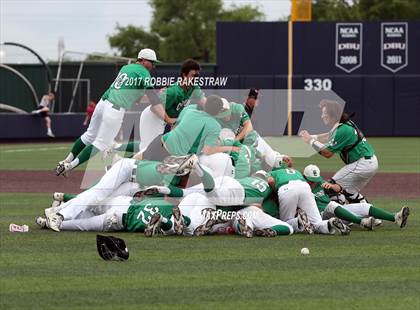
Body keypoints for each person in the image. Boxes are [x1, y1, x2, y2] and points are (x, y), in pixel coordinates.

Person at [55, 48, 160, 176]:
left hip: (103, 103)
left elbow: (138, 98)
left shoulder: (126, 68)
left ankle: (66, 160)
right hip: (115, 107)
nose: (153, 66)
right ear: (143, 60)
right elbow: (151, 96)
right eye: (151, 62)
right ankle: (70, 166)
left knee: (89, 135)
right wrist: (159, 97)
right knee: (101, 143)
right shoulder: (143, 71)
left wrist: (153, 95)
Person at [300, 99, 378, 204]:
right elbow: (330, 136)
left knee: (330, 188)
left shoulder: (342, 129)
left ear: (332, 115)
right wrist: (312, 137)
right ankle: (370, 215)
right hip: (369, 162)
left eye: (324, 113)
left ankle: (337, 217)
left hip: (361, 164)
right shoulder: (344, 123)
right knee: (350, 193)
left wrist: (310, 140)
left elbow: (327, 153)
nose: (322, 116)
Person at [303, 164, 410, 229]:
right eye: (312, 181)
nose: (314, 183)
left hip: (335, 212)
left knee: (364, 206)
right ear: (304, 177)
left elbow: (339, 189)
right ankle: (363, 222)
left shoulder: (320, 182)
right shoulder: (301, 186)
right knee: (332, 205)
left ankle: (395, 217)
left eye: (316, 180)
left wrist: (331, 186)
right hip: (319, 217)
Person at [138, 59, 204, 153]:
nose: (196, 78)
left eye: (197, 76)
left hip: (162, 119)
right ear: (184, 75)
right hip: (152, 116)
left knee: (154, 148)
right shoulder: (173, 91)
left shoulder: (194, 87)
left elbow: (205, 103)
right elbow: (154, 108)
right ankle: (128, 163)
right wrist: (169, 120)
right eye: (193, 75)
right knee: (148, 148)